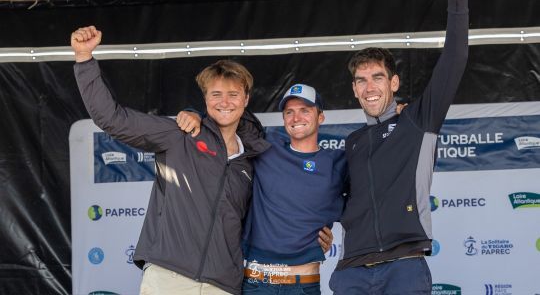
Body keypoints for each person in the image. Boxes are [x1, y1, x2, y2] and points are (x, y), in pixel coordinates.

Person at [71, 25, 270, 295]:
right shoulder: (180, 134)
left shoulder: (250, 159)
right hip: (169, 278)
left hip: (223, 285)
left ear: (246, 99)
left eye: (233, 94)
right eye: (216, 94)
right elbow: (112, 118)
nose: (225, 102)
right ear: (205, 99)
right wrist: (84, 60)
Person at [329, 0, 470, 295]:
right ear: (354, 88)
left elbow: (453, 61)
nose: (369, 87)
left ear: (394, 82)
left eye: (377, 77)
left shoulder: (417, 121)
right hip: (351, 272)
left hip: (403, 268)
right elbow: (334, 199)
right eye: (361, 80)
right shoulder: (353, 143)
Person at [178, 84, 346, 294]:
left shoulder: (338, 162)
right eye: (289, 112)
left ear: (320, 117)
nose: (296, 118)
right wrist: (194, 114)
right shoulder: (266, 147)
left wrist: (399, 119)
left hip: (303, 284)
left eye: (305, 110)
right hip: (258, 283)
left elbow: (369, 200)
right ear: (283, 118)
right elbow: (226, 114)